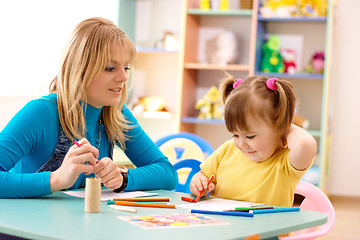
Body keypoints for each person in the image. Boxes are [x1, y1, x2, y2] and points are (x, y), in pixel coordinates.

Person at [0, 17, 177, 198]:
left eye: (126, 67)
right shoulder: (40, 113)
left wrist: (123, 178)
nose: (123, 77)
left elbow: (168, 174)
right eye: (110, 68)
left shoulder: (117, 114)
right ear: (80, 69)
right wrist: (57, 179)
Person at [190, 74, 317, 207]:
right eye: (235, 135)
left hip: (268, 228)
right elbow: (202, 175)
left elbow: (305, 144)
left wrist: (282, 123)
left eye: (250, 136)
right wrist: (198, 182)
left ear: (278, 126)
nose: (241, 144)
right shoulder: (226, 151)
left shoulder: (285, 163)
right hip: (227, 226)